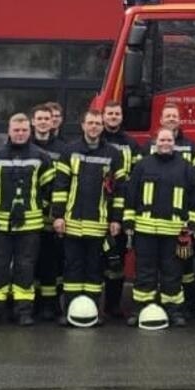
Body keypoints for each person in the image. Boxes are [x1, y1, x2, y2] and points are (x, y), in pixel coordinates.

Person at [0, 114, 54, 325]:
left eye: (24, 130)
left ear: (30, 131)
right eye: (16, 130)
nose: (20, 134)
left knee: (25, 267)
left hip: (31, 225)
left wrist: (40, 210)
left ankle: (24, 311)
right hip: (1, 225)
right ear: (9, 131)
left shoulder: (42, 157)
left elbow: (50, 191)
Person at [51, 109, 127, 325]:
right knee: (73, 269)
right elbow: (60, 186)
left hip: (99, 224)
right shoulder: (69, 151)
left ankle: (93, 310)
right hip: (72, 222)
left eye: (97, 123)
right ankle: (70, 312)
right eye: (90, 123)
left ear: (102, 127)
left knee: (94, 271)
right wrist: (58, 216)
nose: (94, 127)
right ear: (82, 125)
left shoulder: (113, 154)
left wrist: (116, 219)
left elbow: (119, 191)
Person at [123, 127, 195, 327]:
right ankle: (141, 308)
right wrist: (128, 222)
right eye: (162, 140)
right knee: (144, 273)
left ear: (174, 142)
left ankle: (173, 310)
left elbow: (194, 198)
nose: (165, 143)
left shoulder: (185, 167)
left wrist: (194, 225)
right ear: (155, 142)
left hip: (173, 232)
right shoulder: (142, 165)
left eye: (169, 140)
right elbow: (131, 195)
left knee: (172, 273)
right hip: (145, 231)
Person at [100, 100, 143, 317]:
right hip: (96, 207)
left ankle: (112, 306)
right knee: (93, 259)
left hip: (121, 205)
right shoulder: (97, 140)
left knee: (116, 259)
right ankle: (89, 306)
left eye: (117, 113)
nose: (114, 116)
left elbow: (137, 176)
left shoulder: (132, 144)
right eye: (110, 113)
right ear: (103, 116)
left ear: (122, 117)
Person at [30, 103, 66, 321]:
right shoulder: (24, 146)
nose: (44, 122)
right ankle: (32, 303)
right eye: (40, 119)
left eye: (48, 119)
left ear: (53, 122)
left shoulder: (63, 149)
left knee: (52, 262)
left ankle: (51, 305)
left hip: (53, 216)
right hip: (32, 215)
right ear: (33, 121)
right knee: (31, 260)